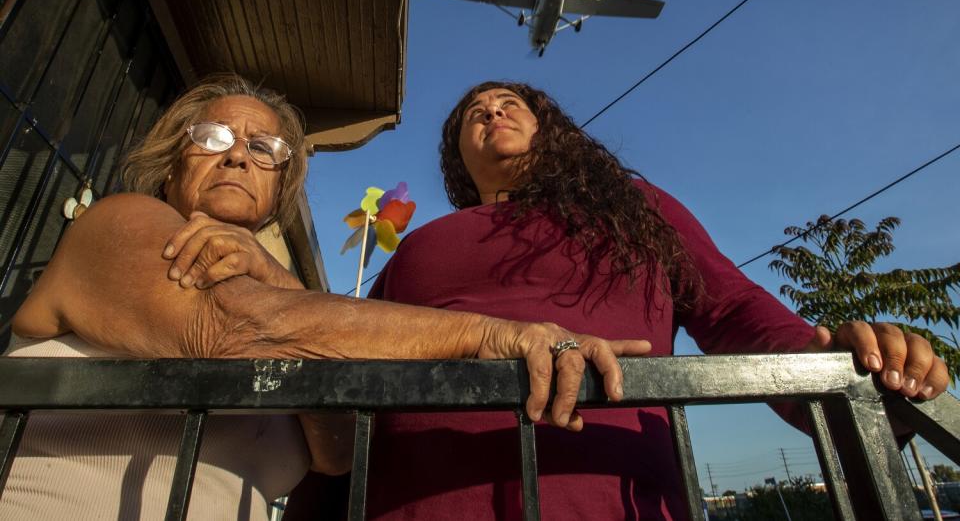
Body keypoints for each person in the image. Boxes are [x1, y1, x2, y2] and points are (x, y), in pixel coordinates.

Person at [286, 80, 949, 520]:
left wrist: (844, 366)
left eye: (509, 102)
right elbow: (354, 369)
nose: (491, 111)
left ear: (552, 127)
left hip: (617, 495)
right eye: (473, 114)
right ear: (458, 157)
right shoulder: (419, 244)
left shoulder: (635, 206)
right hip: (419, 502)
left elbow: (733, 309)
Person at [2, 75, 649, 521]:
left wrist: (281, 284)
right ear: (172, 161)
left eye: (263, 147)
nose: (237, 158)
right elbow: (231, 327)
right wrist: (494, 333)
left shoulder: (285, 303)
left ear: (282, 182)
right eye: (213, 137)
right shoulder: (118, 223)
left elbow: (335, 449)